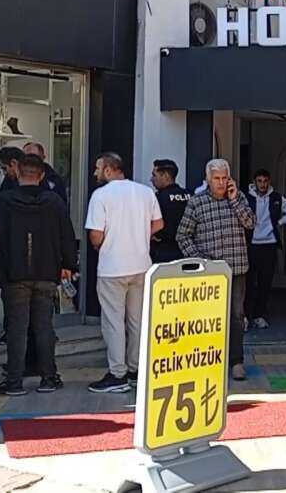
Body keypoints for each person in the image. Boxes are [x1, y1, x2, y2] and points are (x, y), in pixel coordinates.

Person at [0, 155, 76, 396]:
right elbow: (67, 235)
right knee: (44, 326)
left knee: (16, 328)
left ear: (18, 172)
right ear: (41, 175)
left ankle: (14, 381)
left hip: (14, 272)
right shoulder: (55, 201)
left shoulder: (4, 201)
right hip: (47, 271)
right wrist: (68, 264)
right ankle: (49, 377)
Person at [85, 152, 163, 393]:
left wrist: (102, 243)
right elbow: (159, 223)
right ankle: (135, 370)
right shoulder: (145, 192)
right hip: (141, 265)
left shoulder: (100, 195)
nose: (95, 172)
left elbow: (95, 234)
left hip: (112, 267)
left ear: (109, 170)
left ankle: (117, 374)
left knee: (113, 322)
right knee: (137, 320)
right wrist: (139, 236)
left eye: (98, 168)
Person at [176, 159, 255, 381]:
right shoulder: (196, 202)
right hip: (209, 272)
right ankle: (210, 361)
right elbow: (182, 235)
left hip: (236, 268)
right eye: (216, 179)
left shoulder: (239, 198)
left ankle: (236, 361)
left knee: (237, 316)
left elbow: (250, 223)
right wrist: (200, 260)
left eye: (224, 178)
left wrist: (234, 199)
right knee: (209, 318)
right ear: (208, 180)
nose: (220, 183)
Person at [242, 168, 286, 330]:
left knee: (265, 282)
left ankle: (259, 315)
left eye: (265, 181)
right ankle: (245, 316)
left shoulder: (276, 198)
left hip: (269, 245)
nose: (262, 184)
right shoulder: (245, 197)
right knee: (248, 282)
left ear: (269, 182)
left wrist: (279, 223)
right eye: (259, 181)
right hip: (250, 245)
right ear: (254, 182)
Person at [149, 159, 190, 263]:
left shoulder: (158, 198)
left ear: (166, 176)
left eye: (154, 175)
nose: (151, 179)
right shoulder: (189, 195)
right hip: (187, 251)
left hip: (163, 252)